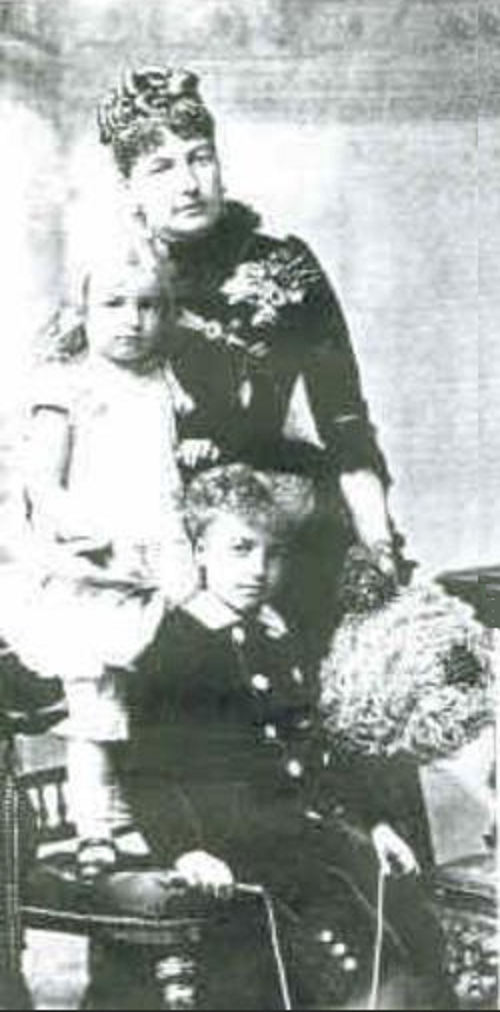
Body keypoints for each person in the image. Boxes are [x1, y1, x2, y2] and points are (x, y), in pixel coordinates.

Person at [94, 464, 454, 1011]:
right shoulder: (176, 650)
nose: (258, 570)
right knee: (310, 966)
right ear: (200, 551)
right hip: (231, 855)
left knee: (409, 933)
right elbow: (148, 771)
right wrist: (185, 849)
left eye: (273, 553)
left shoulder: (277, 637)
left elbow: (319, 745)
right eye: (240, 549)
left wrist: (375, 821)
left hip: (305, 841)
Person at [96, 65, 403, 657]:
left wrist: (378, 544)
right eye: (161, 167)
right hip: (156, 530)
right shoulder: (114, 284)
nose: (189, 183)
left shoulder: (286, 268)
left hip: (277, 520)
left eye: (200, 158)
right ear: (128, 185)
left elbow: (344, 421)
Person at [0, 244, 196, 877]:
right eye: (114, 304)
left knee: (155, 700)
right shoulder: (68, 385)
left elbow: (171, 461)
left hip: (158, 558)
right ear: (82, 312)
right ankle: (95, 830)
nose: (132, 320)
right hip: (94, 569)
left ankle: (138, 819)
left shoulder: (165, 381)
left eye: (149, 306)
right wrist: (82, 529)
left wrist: (195, 456)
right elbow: (42, 482)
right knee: (97, 706)